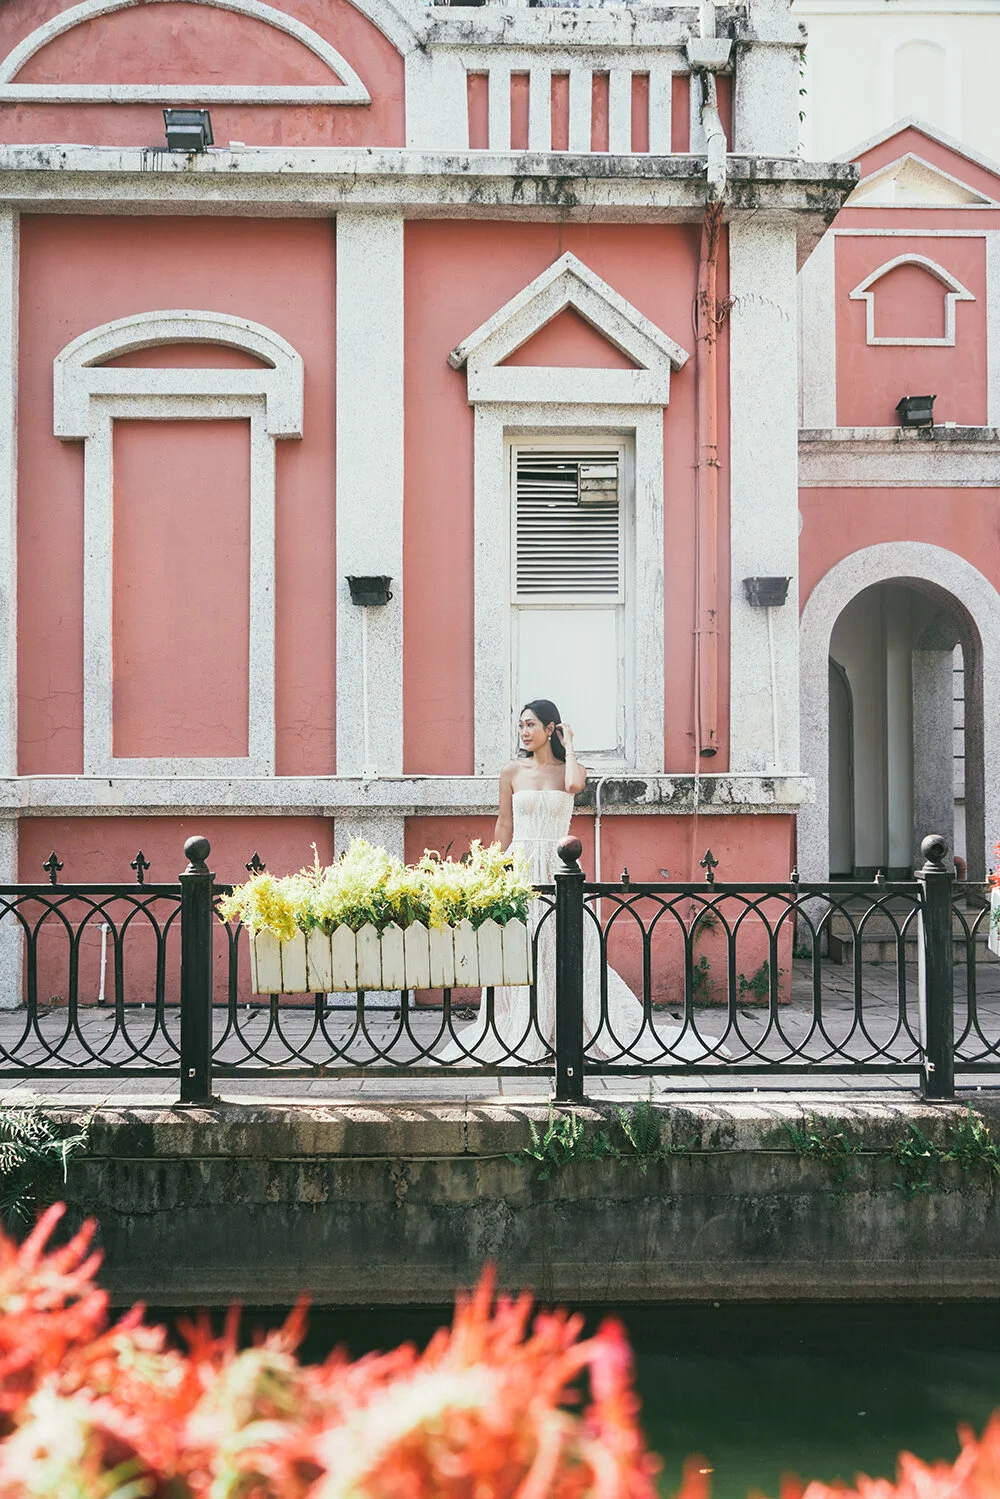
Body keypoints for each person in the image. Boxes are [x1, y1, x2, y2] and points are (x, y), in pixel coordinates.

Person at [437, 698, 728, 1066]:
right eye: (521, 726)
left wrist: (570, 745)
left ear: (550, 728)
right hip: (521, 867)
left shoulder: (570, 769)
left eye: (531, 725)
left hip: (560, 866)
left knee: (566, 947)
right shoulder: (511, 771)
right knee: (522, 948)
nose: (524, 732)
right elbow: (504, 824)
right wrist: (493, 864)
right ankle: (524, 1029)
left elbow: (575, 785)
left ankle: (569, 1029)